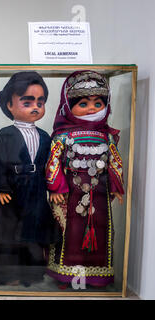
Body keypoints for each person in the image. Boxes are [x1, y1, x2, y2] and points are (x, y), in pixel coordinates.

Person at [46, 70, 124, 288]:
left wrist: (117, 185)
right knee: (70, 232)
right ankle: (67, 275)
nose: (92, 108)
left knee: (100, 229)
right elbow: (53, 162)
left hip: (99, 192)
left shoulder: (107, 136)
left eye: (98, 103)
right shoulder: (63, 135)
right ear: (69, 107)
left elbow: (115, 161)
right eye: (84, 104)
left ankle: (96, 277)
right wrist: (56, 188)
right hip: (71, 192)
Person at [0, 72, 57, 287]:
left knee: (33, 231)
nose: (35, 107)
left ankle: (32, 273)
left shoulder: (45, 136)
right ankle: (8, 273)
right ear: (10, 105)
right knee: (8, 232)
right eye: (27, 102)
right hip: (12, 191)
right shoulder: (5, 134)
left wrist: (54, 188)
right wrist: (0, 187)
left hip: (37, 189)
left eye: (40, 102)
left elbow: (51, 165)